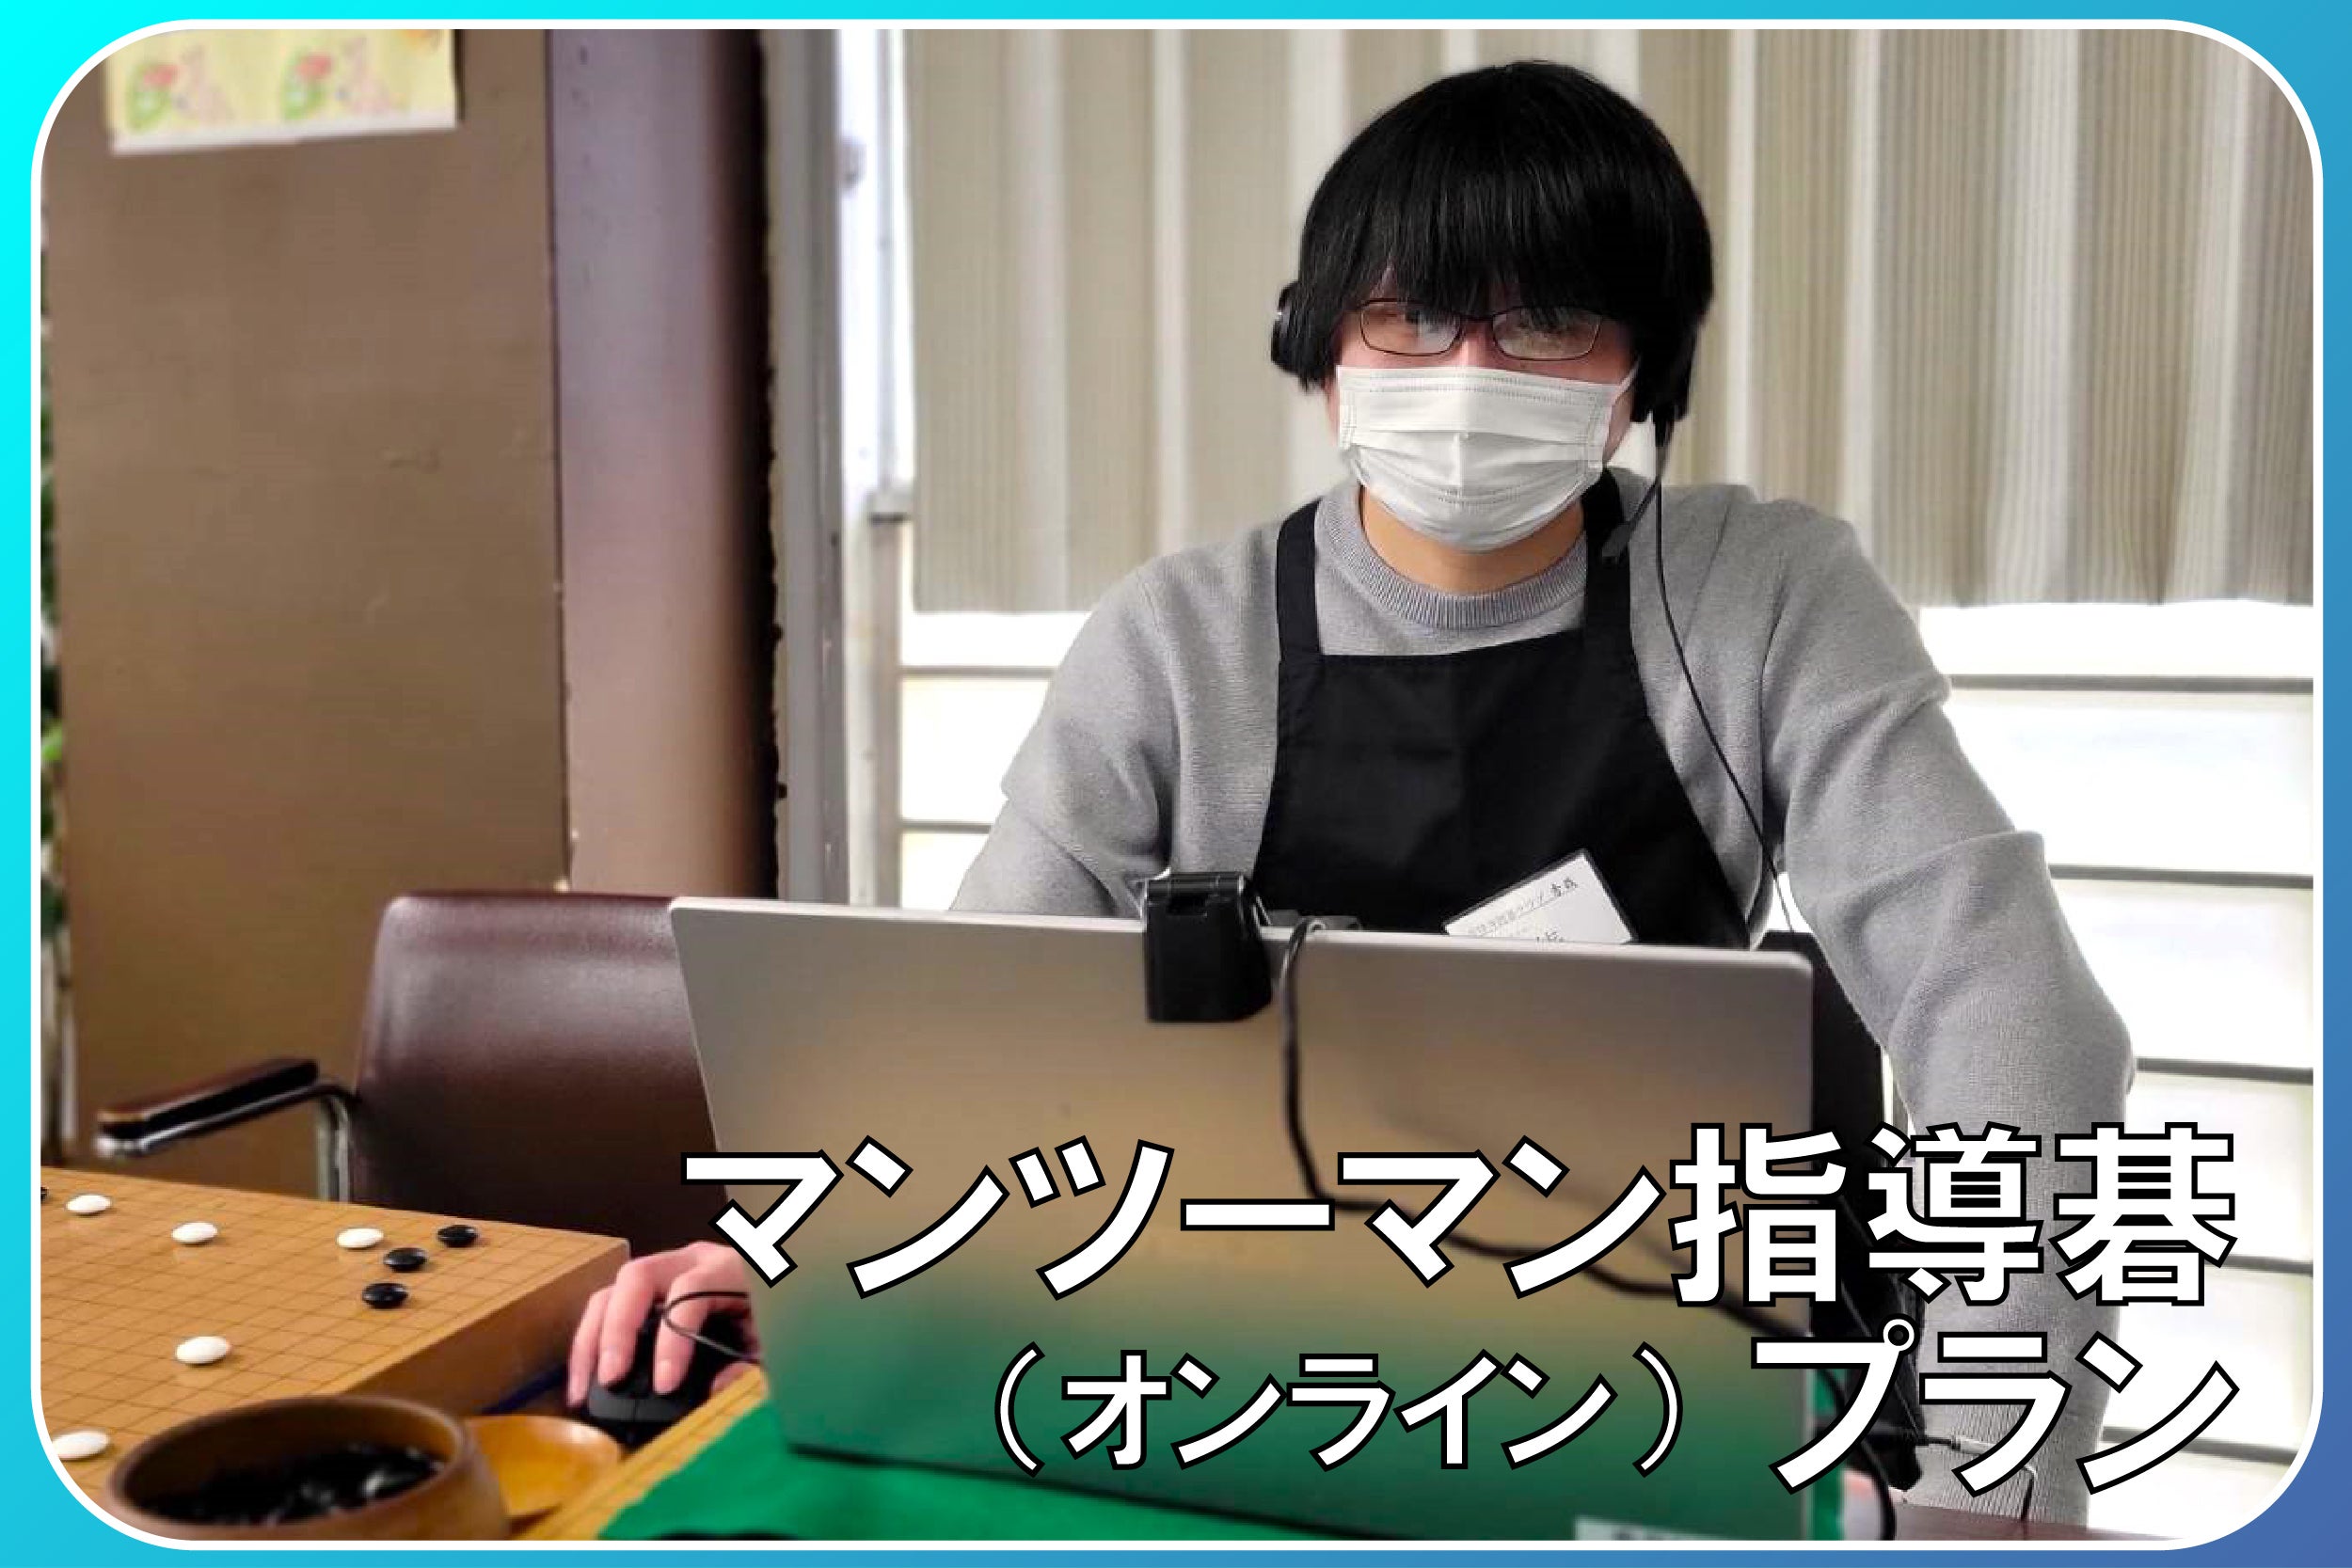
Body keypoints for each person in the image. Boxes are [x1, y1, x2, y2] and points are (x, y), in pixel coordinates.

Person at [573, 59, 2131, 1524]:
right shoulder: (1176, 641)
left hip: (1656, 1349)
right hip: (1242, 1340)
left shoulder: (1762, 594)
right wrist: (808, 1258)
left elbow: (2014, 1015)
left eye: (1545, 325)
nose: (1469, 376)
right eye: (1412, 318)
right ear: (1322, 354)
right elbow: (971, 1029)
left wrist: (1988, 1492)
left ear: (1641, 369)